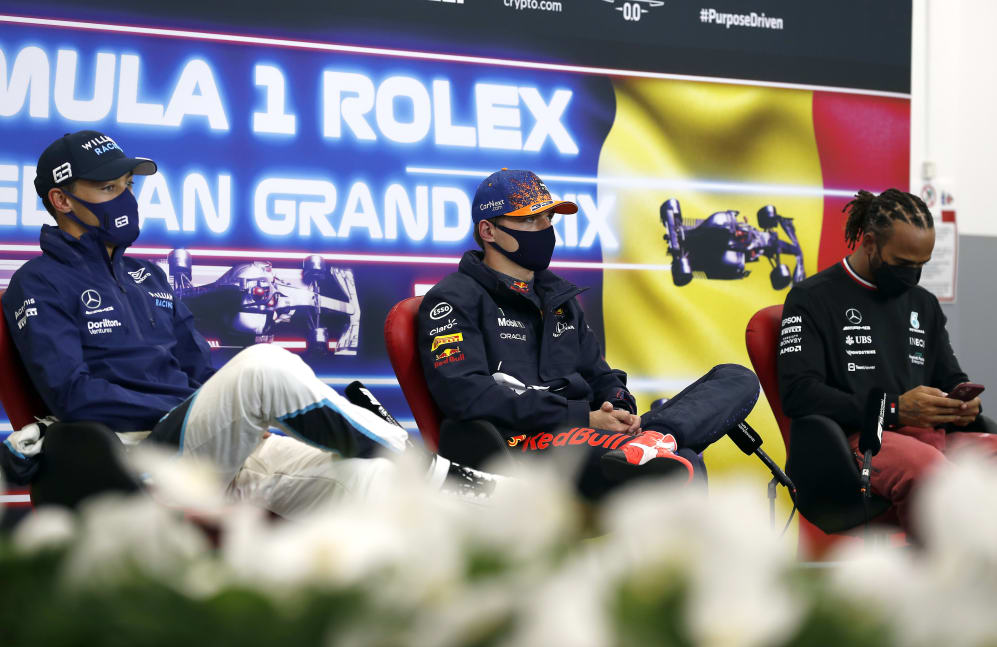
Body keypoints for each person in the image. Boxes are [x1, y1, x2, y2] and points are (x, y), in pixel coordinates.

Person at [1, 130, 501, 516]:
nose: (125, 199)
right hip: (137, 456)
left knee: (376, 485)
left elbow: (201, 370)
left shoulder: (148, 276)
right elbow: (74, 395)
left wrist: (227, 413)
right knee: (262, 366)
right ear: (62, 200)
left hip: (214, 449)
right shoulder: (38, 283)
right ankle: (417, 456)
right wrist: (201, 407)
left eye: (128, 186)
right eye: (108, 188)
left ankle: (504, 509)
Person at [417, 169, 760, 499]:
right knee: (679, 464)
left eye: (549, 218)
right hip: (524, 445)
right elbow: (466, 395)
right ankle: (655, 446)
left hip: (589, 433)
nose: (545, 228)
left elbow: (600, 375)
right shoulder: (453, 299)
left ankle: (656, 437)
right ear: (488, 231)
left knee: (736, 378)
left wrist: (618, 406)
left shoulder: (558, 298)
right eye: (530, 220)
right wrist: (582, 417)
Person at [778, 188, 997, 533]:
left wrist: (963, 402)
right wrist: (893, 409)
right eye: (903, 264)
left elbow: (951, 376)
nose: (913, 274)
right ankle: (935, 567)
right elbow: (799, 393)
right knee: (933, 477)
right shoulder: (811, 298)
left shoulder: (923, 304)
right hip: (858, 441)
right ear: (869, 243)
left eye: (921, 264)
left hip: (929, 436)